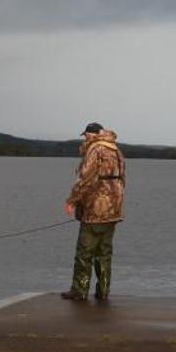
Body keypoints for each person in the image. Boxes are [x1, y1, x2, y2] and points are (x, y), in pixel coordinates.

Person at [62, 122, 125, 302]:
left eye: (86, 135)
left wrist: (72, 201)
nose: (86, 139)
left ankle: (79, 290)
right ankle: (103, 292)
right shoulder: (116, 150)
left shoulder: (95, 149)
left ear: (92, 135)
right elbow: (123, 180)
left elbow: (85, 179)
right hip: (114, 209)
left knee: (84, 252)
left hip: (96, 209)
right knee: (104, 253)